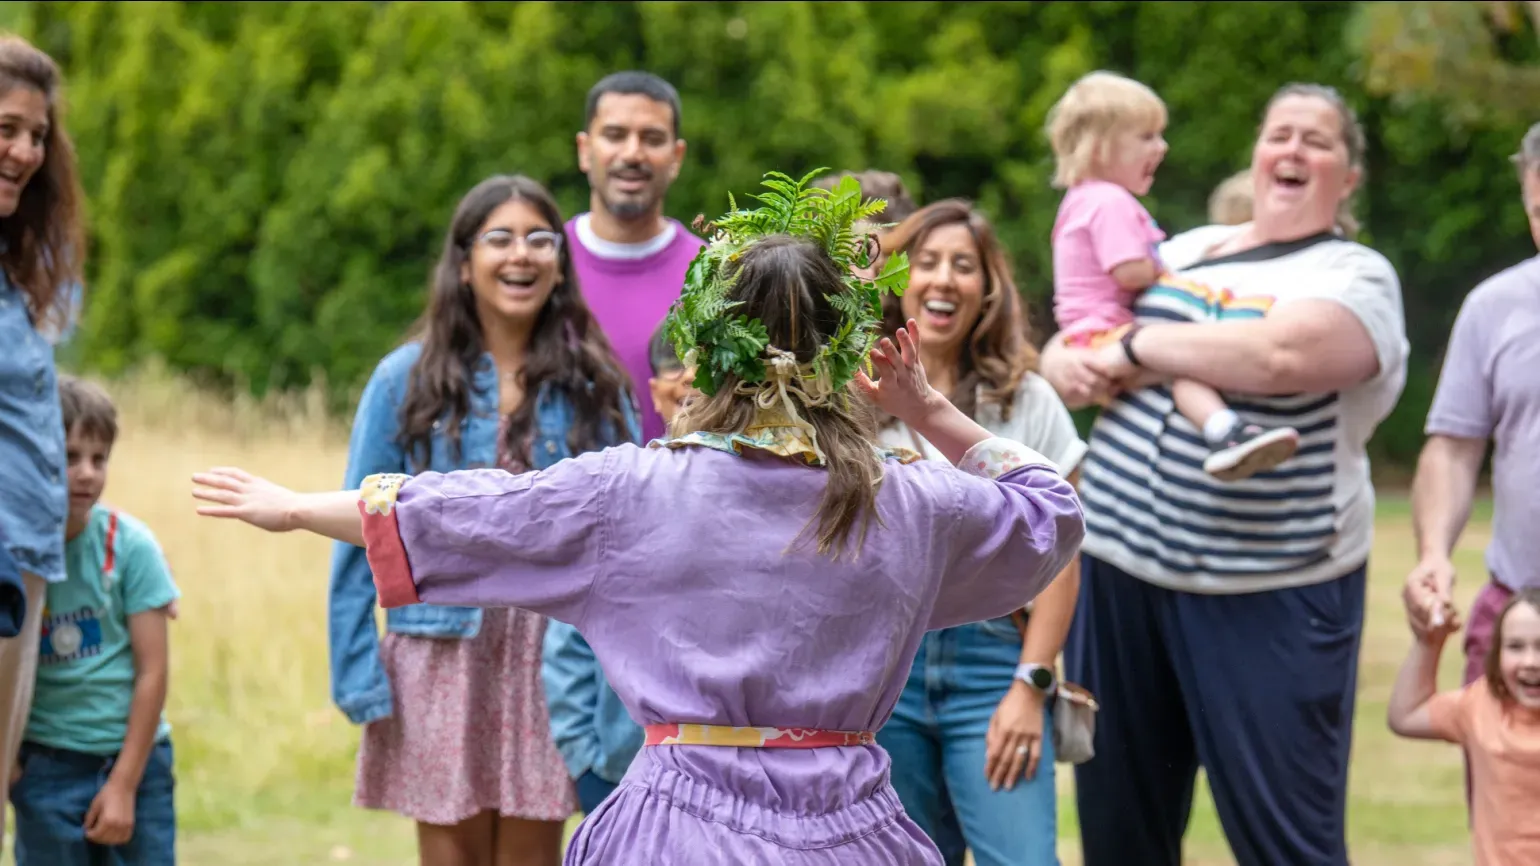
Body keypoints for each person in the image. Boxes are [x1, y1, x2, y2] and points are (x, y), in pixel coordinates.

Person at [191, 171, 1085, 865]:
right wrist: (929, 410)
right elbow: (1052, 510)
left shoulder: (635, 491)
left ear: (707, 345)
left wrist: (299, 508)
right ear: (844, 349)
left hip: (679, 830)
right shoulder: (911, 499)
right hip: (852, 830)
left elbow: (468, 509)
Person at [1040, 83, 1409, 866]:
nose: (1294, 151)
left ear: (1349, 177)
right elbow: (1076, 333)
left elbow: (1281, 356)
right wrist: (1064, 363)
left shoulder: (1354, 274)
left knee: (1287, 842)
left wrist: (1139, 349)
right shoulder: (1187, 248)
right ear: (1258, 152)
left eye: (1318, 140)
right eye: (1281, 134)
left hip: (1269, 592)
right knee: (1119, 835)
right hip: (1120, 570)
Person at [325, 174, 640, 866]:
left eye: (538, 239)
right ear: (463, 263)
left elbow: (632, 528)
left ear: (560, 262)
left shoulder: (594, 383)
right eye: (499, 239)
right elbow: (361, 521)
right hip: (440, 654)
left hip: (552, 657)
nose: (520, 256)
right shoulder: (403, 380)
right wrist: (355, 671)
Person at [872, 200, 1087, 866]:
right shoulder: (850, 395)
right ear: (896, 281)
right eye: (926, 262)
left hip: (994, 664)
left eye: (962, 266)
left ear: (987, 289)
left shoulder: (1024, 399)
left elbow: (1062, 553)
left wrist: (1032, 684)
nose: (942, 280)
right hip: (884, 664)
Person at [1046, 70, 1298, 481]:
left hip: (1086, 336)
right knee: (1187, 363)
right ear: (1101, 146)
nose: (1161, 147)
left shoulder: (1080, 199)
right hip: (1106, 334)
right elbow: (1130, 271)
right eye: (1146, 136)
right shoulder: (1109, 201)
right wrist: (1164, 271)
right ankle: (1226, 431)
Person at [1402, 119, 1540, 813]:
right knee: (1511, 834)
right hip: (1520, 618)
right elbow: (1454, 447)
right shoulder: (1495, 307)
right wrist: (1433, 551)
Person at [9, 376, 179, 864]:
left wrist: (124, 783)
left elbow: (153, 671)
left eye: (98, 458)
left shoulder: (130, 547)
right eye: (69, 457)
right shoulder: (10, 555)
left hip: (133, 762)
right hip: (45, 765)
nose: (86, 473)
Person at [540, 321, 695, 815]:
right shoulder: (621, 495)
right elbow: (566, 643)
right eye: (677, 368)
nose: (691, 378)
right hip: (619, 768)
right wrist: (586, 763)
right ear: (655, 393)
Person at [0, 33, 86, 850]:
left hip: (23, 562)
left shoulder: (14, 265)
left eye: (38, 134)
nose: (26, 151)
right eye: (6, 128)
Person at [568, 70, 706, 443]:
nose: (632, 153)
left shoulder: (714, 274)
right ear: (584, 149)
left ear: (677, 156)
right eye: (614, 135)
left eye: (652, 138)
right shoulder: (540, 267)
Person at [1387, 587, 1540, 865]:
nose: (1531, 662)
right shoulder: (1481, 706)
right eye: (1516, 647)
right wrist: (1428, 644)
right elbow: (1406, 715)